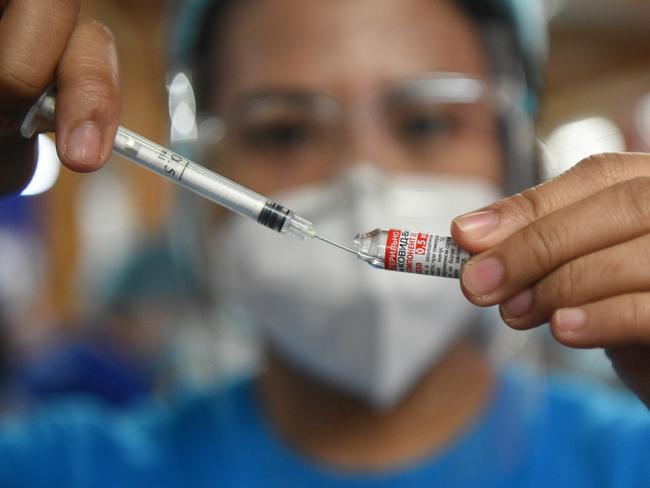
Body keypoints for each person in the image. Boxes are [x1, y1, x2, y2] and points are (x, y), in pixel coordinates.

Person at [1, 0, 650, 486]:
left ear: (513, 156)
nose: (361, 180)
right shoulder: (60, 469)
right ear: (198, 167)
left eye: (425, 121)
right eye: (284, 131)